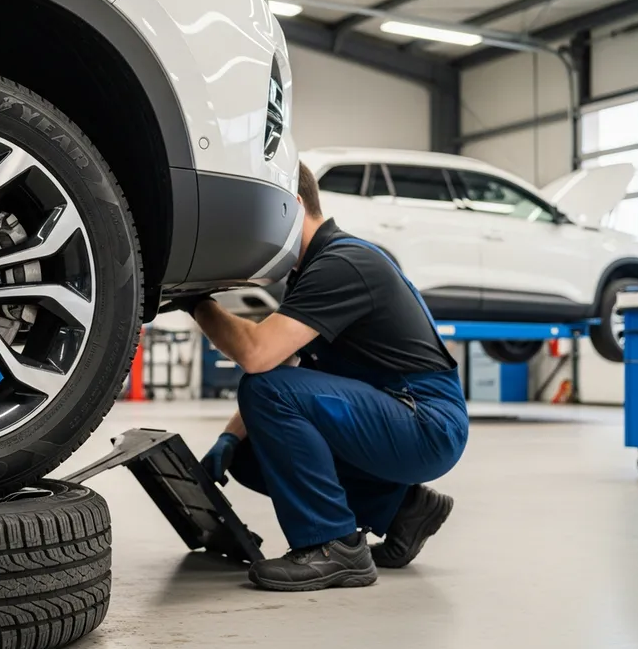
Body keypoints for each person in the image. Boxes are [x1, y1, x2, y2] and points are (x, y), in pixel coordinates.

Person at [171, 163, 468, 592]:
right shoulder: (313, 270)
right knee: (252, 458)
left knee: (264, 392)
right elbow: (284, 368)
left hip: (424, 420)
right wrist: (230, 440)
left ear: (291, 206)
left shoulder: (344, 263)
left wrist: (198, 303)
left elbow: (257, 357)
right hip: (398, 412)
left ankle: (334, 545)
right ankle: (403, 510)